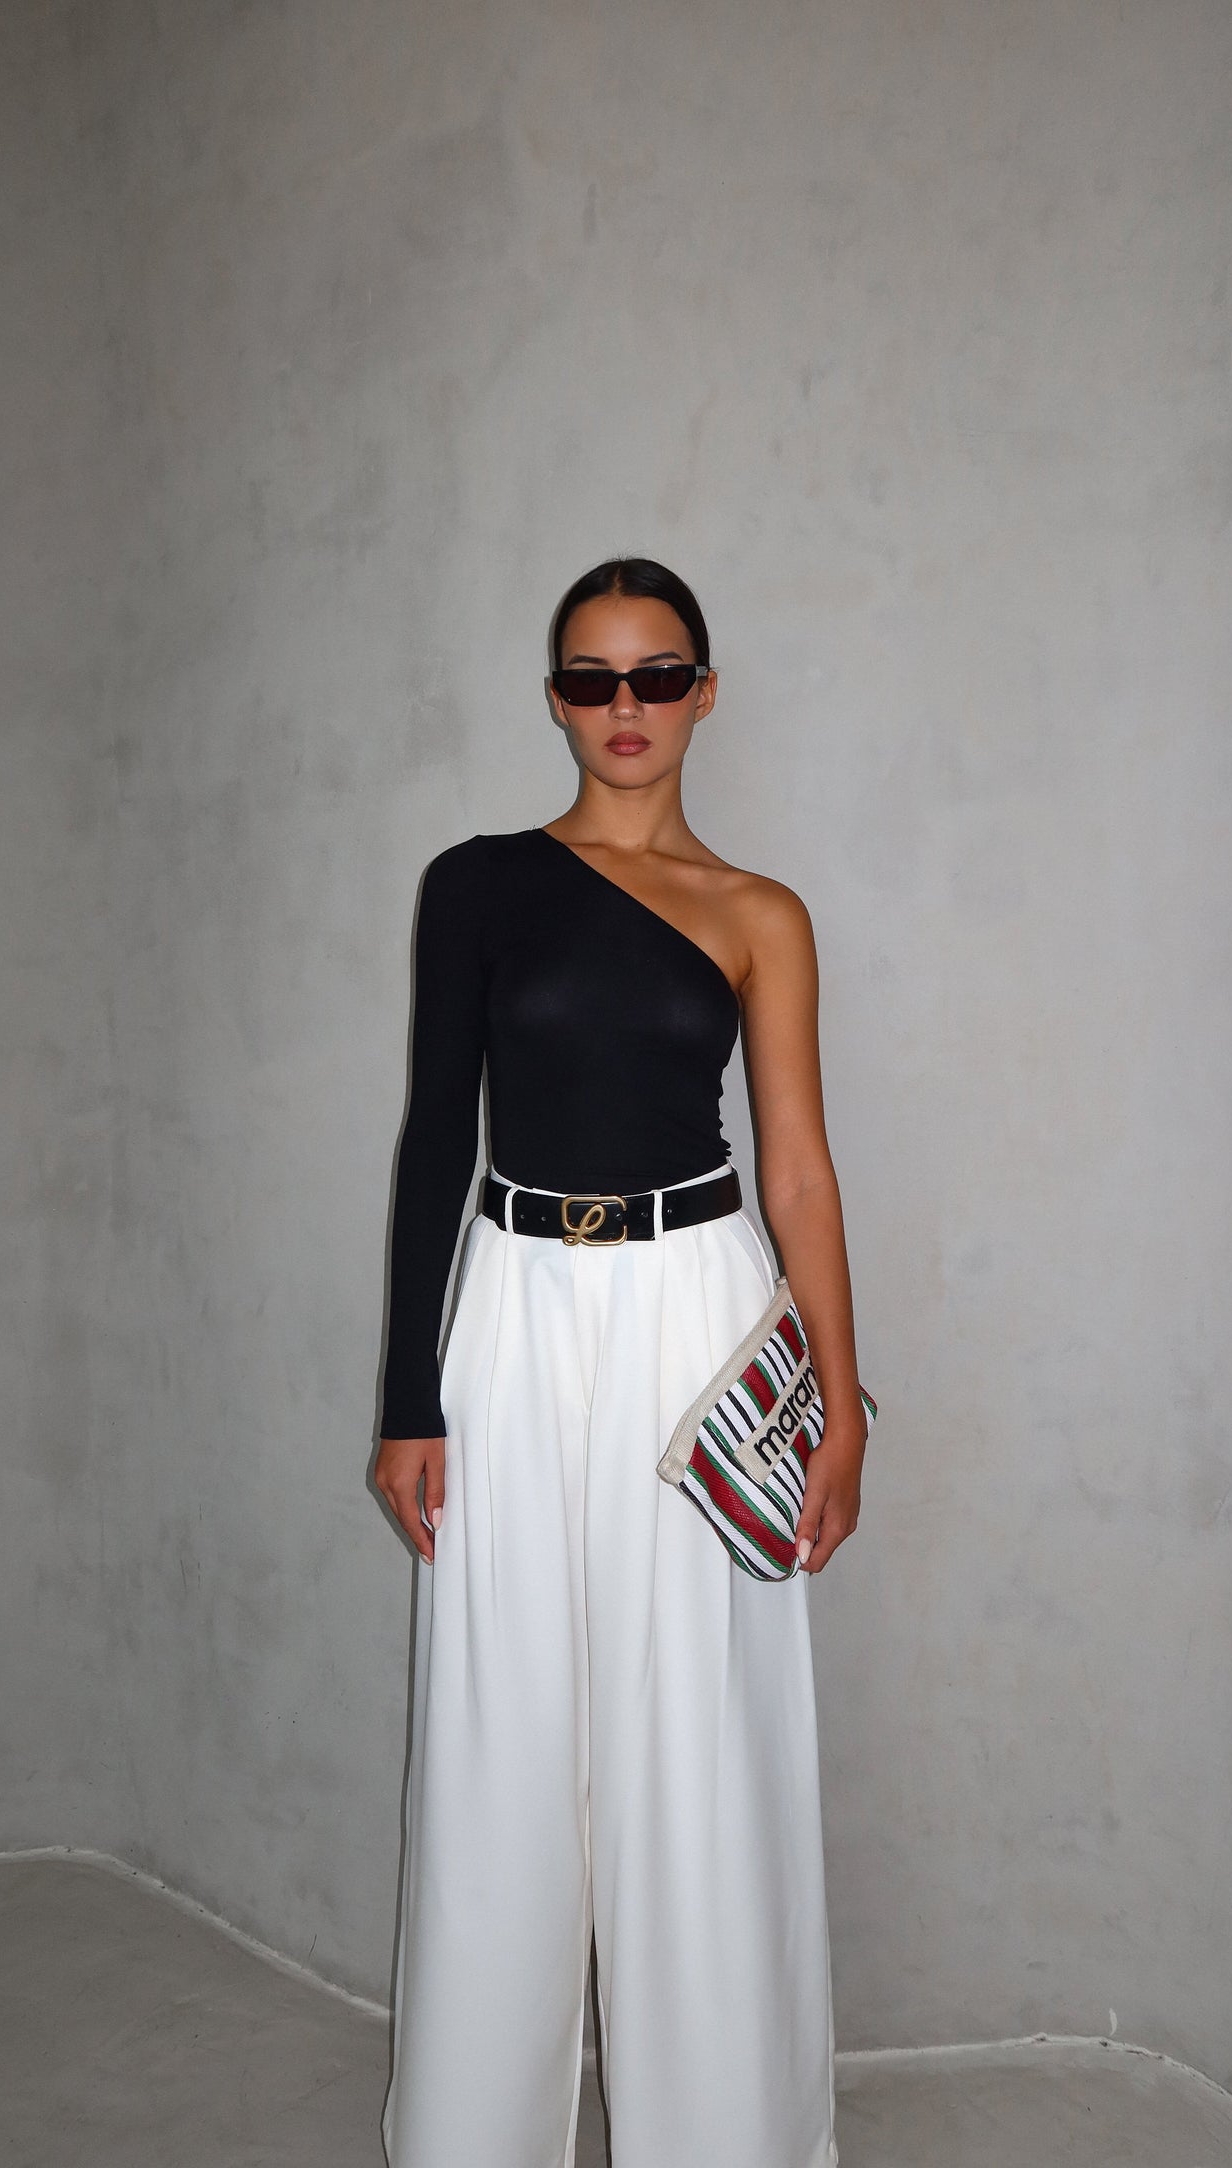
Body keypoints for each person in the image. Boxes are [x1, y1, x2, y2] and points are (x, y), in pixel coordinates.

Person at [374, 557, 869, 2168]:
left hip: (693, 1316)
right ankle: (471, 2135)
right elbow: (434, 1137)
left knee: (696, 1730)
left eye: (657, 676)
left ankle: (723, 2133)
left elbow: (797, 1170)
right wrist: (406, 1398)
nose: (625, 708)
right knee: (503, 1716)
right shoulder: (476, 886)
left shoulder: (759, 914)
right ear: (556, 700)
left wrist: (841, 1411)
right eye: (591, 680)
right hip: (514, 1308)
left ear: (702, 692)